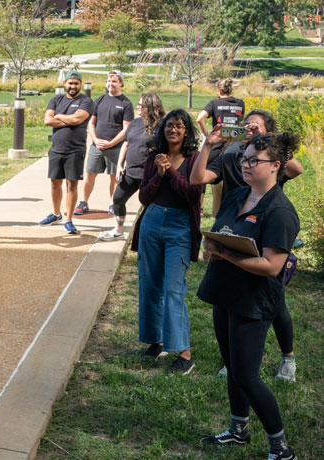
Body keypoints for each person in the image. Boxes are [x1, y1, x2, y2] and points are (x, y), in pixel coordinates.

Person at [198, 133, 300, 460]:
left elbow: (272, 266)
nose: (246, 164)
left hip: (254, 302)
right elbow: (221, 233)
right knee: (231, 365)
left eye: (254, 160)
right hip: (226, 292)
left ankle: (280, 447)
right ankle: (239, 428)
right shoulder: (238, 194)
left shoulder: (280, 212)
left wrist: (225, 253)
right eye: (245, 158)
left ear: (276, 167)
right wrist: (210, 248)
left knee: (246, 376)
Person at [190, 110, 303, 382]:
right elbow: (197, 178)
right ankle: (236, 362)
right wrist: (208, 144)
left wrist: (265, 142)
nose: (249, 127)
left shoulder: (272, 161)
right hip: (236, 231)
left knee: (276, 306)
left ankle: (287, 357)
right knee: (232, 301)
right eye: (246, 123)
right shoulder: (233, 158)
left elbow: (296, 169)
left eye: (257, 124)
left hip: (268, 235)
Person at [130, 109, 202, 375]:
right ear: (163, 130)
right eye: (170, 125)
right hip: (152, 220)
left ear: (187, 132)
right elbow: (144, 197)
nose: (174, 130)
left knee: (173, 288)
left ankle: (184, 353)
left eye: (180, 126)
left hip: (180, 226)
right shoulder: (153, 158)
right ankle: (156, 341)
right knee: (149, 284)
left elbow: (192, 196)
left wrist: (170, 172)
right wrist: (158, 174)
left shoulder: (194, 159)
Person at [99, 93, 165, 240]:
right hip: (130, 172)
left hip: (150, 174)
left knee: (151, 205)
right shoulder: (135, 123)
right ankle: (119, 229)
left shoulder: (161, 125)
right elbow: (126, 143)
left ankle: (154, 233)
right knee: (117, 200)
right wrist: (120, 165)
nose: (138, 107)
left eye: (140, 105)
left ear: (150, 106)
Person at [39, 70, 94, 234]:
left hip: (75, 150)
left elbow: (78, 119)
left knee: (72, 184)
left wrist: (59, 116)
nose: (73, 86)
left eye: (76, 83)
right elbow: (47, 120)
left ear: (80, 85)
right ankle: (56, 214)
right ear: (65, 84)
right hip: (56, 148)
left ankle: (68, 219)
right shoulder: (56, 99)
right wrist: (69, 119)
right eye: (70, 83)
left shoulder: (86, 101)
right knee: (55, 182)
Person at [78, 70, 134, 216]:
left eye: (114, 81)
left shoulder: (126, 103)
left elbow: (126, 129)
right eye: (109, 81)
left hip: (115, 148)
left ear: (121, 83)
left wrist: (110, 144)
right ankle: (84, 202)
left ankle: (112, 204)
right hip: (96, 146)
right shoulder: (99, 100)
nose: (111, 84)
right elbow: (91, 123)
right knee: (90, 174)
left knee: (114, 177)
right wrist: (95, 140)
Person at [196, 79, 245, 216]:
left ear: (218, 91)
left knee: (201, 170)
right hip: (236, 141)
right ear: (231, 90)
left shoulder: (214, 103)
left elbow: (199, 119)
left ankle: (199, 207)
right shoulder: (240, 103)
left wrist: (207, 135)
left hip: (218, 141)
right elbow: (240, 122)